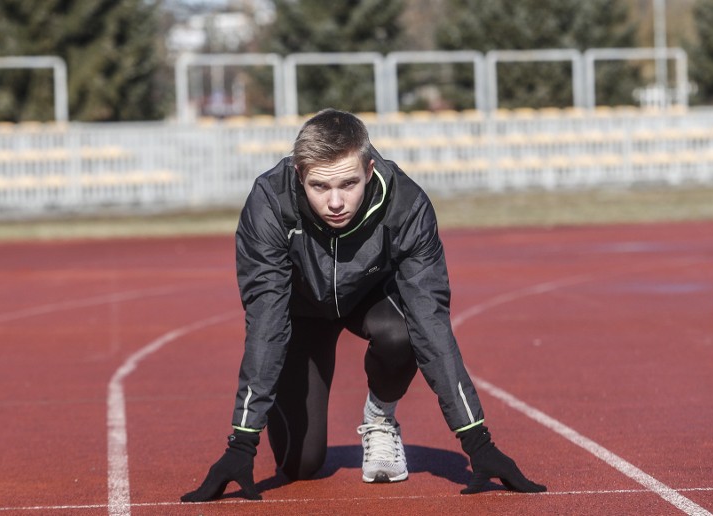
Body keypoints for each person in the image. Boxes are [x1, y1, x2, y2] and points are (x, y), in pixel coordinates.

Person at [181, 108, 546, 502]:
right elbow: (266, 323)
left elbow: (431, 323)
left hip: (370, 297)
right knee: (300, 465)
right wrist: (241, 443)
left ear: (370, 169)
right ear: (299, 174)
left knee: (405, 330)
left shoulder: (407, 206)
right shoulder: (268, 203)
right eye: (320, 187)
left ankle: (380, 418)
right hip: (301, 311)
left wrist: (478, 443)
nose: (336, 202)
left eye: (349, 184)